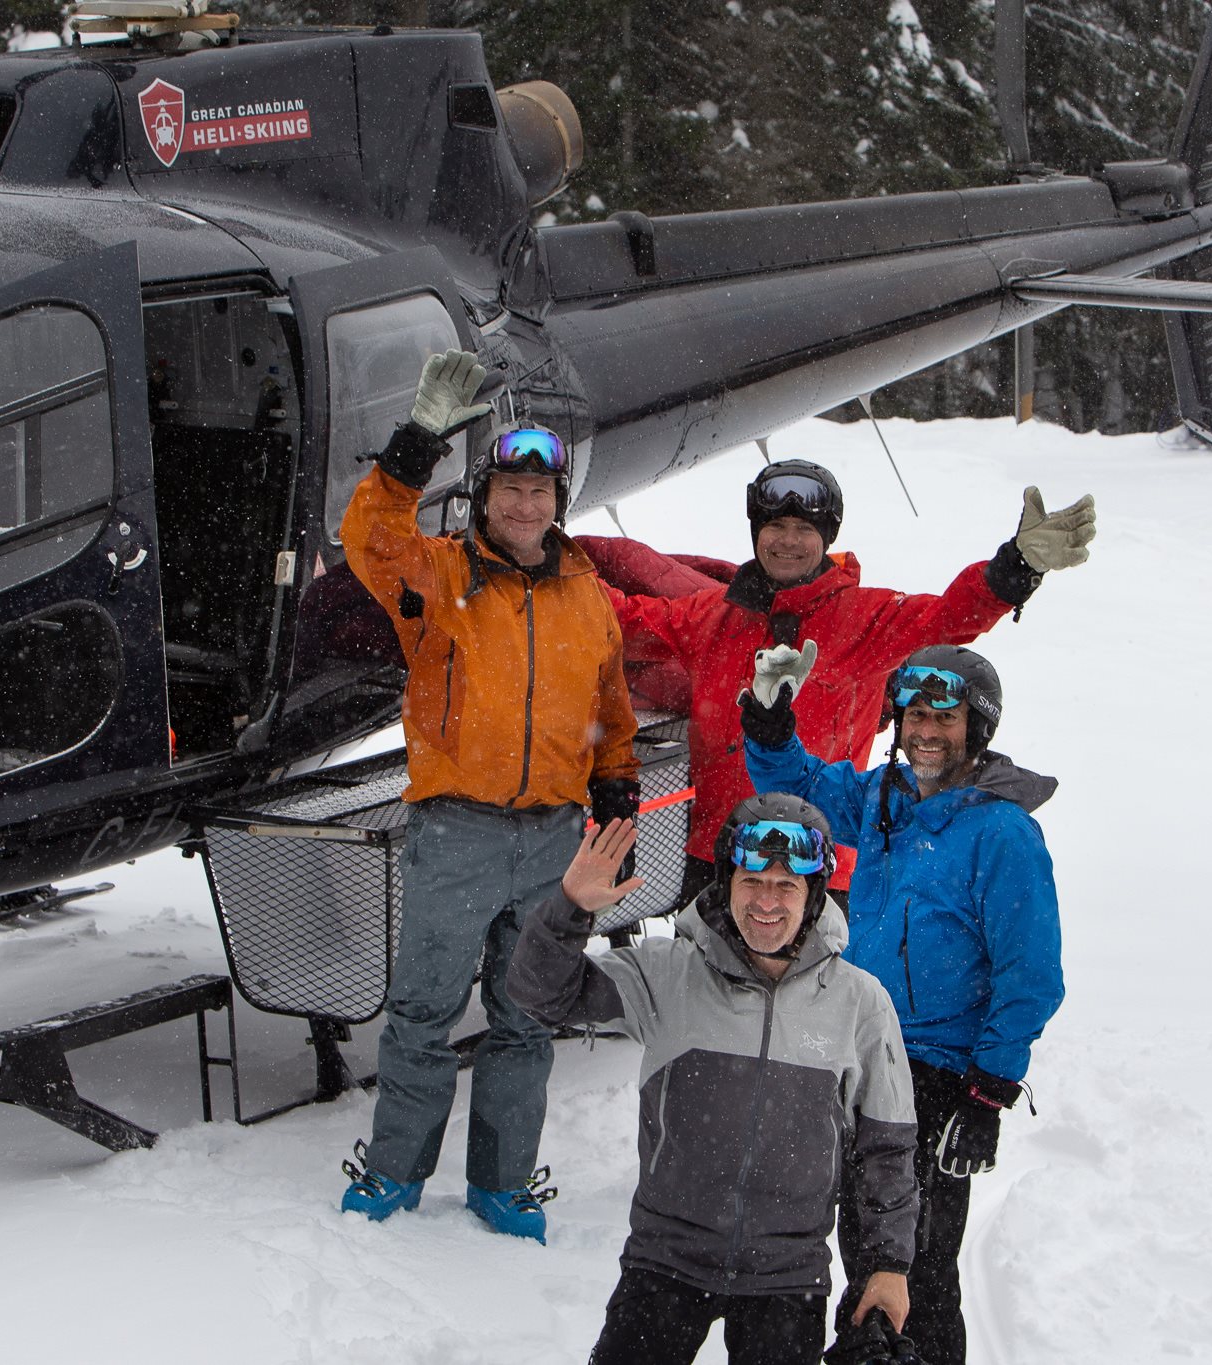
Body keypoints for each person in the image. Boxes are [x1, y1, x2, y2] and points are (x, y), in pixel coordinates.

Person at [336, 350, 640, 1244]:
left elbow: (610, 707)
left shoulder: (588, 596)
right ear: (484, 497)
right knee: (425, 1010)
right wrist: (416, 441)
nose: (525, 505)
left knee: (526, 1015)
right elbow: (369, 536)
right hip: (457, 830)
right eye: (509, 487)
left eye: (541, 493)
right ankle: (394, 1170)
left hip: (553, 837)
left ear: (559, 504)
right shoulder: (438, 575)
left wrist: (615, 780)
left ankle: (503, 1182)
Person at [507, 796, 919, 1365]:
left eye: (787, 885)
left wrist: (887, 1265)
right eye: (752, 880)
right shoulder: (666, 973)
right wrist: (570, 908)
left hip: (787, 1276)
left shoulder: (860, 1003)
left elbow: (887, 1148)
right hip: (665, 1259)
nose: (766, 902)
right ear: (727, 882)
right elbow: (538, 995)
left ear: (815, 894)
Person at [743, 645, 1065, 1365]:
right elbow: (802, 785)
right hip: (857, 1057)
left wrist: (987, 1092)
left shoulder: (1002, 832)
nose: (926, 730)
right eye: (915, 713)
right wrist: (768, 720)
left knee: (916, 1265)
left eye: (944, 717)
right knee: (863, 1247)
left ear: (975, 726)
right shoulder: (887, 799)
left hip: (938, 1076)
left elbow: (1031, 973)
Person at [588, 459, 1094, 910]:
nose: (788, 541)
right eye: (776, 526)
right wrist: (548, 566)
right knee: (705, 1006)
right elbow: (624, 621)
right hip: (721, 855)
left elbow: (946, 619)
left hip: (820, 863)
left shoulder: (863, 616)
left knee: (813, 1013)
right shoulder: (712, 617)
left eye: (804, 529)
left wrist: (1013, 570)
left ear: (826, 539)